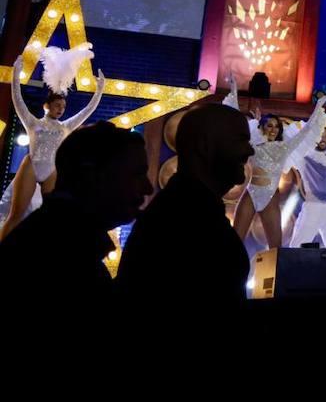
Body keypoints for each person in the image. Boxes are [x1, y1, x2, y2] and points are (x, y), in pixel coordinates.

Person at [116, 104, 255, 302]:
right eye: (241, 139)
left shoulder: (189, 209)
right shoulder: (183, 220)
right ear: (205, 145)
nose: (249, 150)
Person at [0, 122, 151, 297]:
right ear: (91, 176)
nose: (148, 188)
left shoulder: (52, 239)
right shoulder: (60, 257)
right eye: (137, 174)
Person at [2, 46, 106, 240]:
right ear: (47, 105)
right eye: (57, 105)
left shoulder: (65, 127)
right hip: (32, 166)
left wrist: (99, 91)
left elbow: (87, 112)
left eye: (63, 107)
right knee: (16, 216)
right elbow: (18, 100)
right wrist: (16, 74)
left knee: (50, 217)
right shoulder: (33, 123)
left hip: (52, 171)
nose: (61, 109)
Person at [225, 80, 326, 250]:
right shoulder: (253, 144)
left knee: (275, 248)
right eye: (270, 125)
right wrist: (234, 90)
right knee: (234, 242)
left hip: (270, 198)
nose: (274, 129)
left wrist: (318, 106)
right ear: (262, 127)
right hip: (250, 195)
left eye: (277, 126)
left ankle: (274, 275)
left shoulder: (284, 147)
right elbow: (235, 121)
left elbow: (307, 130)